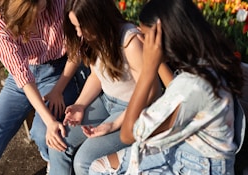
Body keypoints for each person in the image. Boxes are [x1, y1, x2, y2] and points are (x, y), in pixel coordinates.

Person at [89, 0, 246, 174]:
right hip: (189, 149)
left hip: (197, 165)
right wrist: (157, 61)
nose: (145, 44)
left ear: (167, 36)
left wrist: (148, 71)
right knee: (99, 166)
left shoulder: (193, 85)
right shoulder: (206, 64)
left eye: (148, 37)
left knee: (98, 170)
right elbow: (177, 92)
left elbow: (129, 133)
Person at [47, 0, 173, 174]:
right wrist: (80, 105)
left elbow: (151, 93)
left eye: (81, 26)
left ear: (97, 20)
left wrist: (114, 124)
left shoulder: (130, 41)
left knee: (84, 161)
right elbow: (97, 76)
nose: (78, 33)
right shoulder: (93, 37)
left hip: (133, 110)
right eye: (75, 27)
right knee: (58, 143)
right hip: (106, 101)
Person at [0, 0, 82, 174]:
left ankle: (54, 162)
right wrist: (49, 119)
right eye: (37, 10)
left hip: (58, 74)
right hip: (21, 78)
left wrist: (58, 90)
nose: (43, 11)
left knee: (41, 131)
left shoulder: (58, 4)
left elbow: (76, 50)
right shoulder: (1, 24)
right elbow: (22, 77)